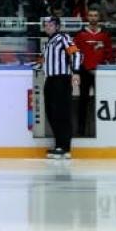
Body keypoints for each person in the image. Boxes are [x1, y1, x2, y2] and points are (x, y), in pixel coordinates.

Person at [41, 16, 82, 158]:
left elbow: (76, 53)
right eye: (46, 25)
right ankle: (59, 144)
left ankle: (65, 147)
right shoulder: (47, 43)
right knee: (51, 112)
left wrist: (76, 72)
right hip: (50, 80)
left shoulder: (63, 38)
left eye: (51, 25)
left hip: (62, 79)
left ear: (57, 26)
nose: (47, 27)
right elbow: (44, 61)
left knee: (62, 113)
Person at [73, 8, 111, 136]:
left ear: (99, 17)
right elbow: (73, 51)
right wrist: (76, 69)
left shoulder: (105, 35)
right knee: (82, 102)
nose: (93, 18)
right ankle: (80, 131)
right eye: (91, 15)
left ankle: (104, 131)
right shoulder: (80, 34)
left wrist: (104, 66)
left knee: (102, 101)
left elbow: (108, 53)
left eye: (95, 15)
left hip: (101, 73)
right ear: (87, 17)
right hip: (84, 72)